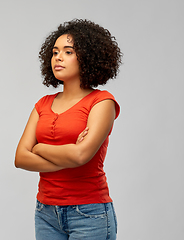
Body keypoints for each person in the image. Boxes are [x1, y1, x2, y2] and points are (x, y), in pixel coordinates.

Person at [15, 19, 122, 240]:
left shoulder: (102, 102)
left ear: (88, 56)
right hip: (46, 212)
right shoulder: (43, 103)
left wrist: (39, 147)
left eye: (68, 51)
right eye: (55, 52)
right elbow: (20, 158)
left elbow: (82, 155)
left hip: (89, 213)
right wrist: (69, 155)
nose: (58, 58)